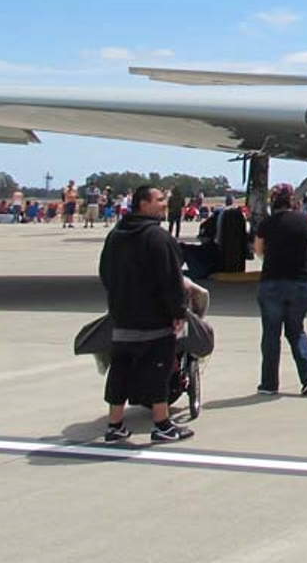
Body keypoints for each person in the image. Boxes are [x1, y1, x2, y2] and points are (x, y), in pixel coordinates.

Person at [97, 185, 194, 443]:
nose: (165, 204)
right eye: (160, 200)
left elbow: (105, 273)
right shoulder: (158, 238)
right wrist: (178, 312)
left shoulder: (116, 236)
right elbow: (171, 280)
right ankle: (162, 425)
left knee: (119, 370)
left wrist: (118, 301)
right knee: (158, 373)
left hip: (123, 318)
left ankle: (114, 424)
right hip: (154, 321)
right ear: (143, 204)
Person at [253, 186, 307, 396]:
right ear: (292, 201)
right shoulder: (303, 221)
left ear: (273, 201)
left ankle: (269, 383)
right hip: (300, 283)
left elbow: (257, 250)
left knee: (272, 334)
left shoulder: (267, 223)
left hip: (272, 282)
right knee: (296, 330)